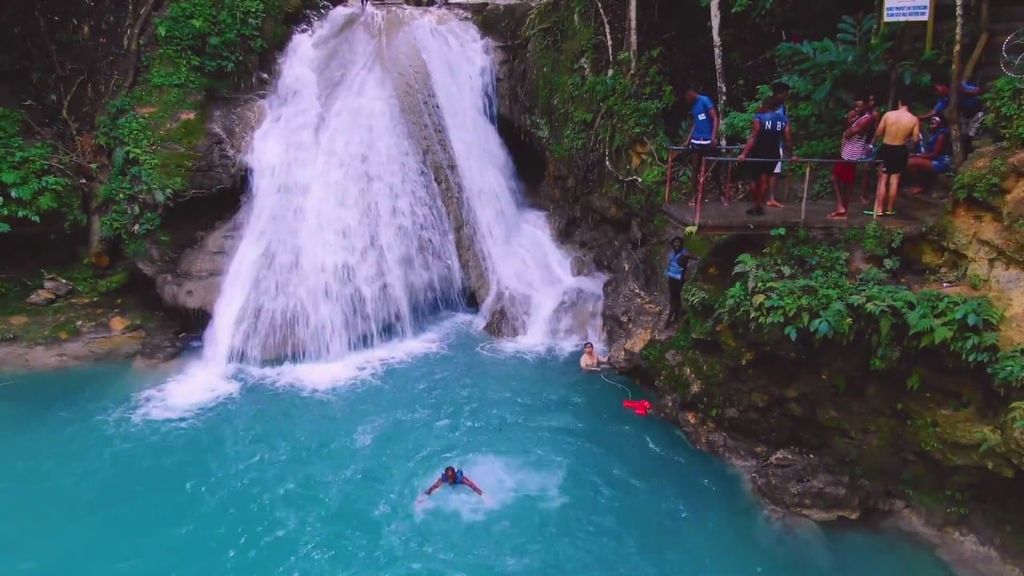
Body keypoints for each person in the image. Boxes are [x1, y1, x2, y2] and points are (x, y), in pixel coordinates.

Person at [867, 91, 920, 217]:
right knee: (894, 179)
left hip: (887, 148)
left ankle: (879, 208)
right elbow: (915, 139)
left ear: (899, 102)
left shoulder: (888, 115)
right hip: (900, 149)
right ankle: (890, 208)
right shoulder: (913, 119)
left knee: (883, 179)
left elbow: (879, 132)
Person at [738, 97, 792, 217]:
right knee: (765, 180)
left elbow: (753, 137)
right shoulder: (783, 120)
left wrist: (744, 153)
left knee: (753, 179)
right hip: (773, 154)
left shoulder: (759, 118)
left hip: (758, 153)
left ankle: (756, 205)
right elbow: (787, 138)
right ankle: (758, 205)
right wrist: (791, 154)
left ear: (765, 106)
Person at [828, 97, 873, 219]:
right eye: (855, 107)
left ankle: (841, 207)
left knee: (837, 179)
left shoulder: (866, 119)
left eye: (859, 107)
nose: (857, 109)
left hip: (851, 155)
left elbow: (848, 134)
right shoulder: (859, 118)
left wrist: (851, 120)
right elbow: (846, 130)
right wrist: (850, 121)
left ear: (866, 106)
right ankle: (842, 210)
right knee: (844, 182)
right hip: (847, 153)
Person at [918, 82, 984, 153]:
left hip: (978, 113)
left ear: (942, 86)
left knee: (969, 136)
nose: (936, 92)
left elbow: (979, 91)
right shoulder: (944, 99)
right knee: (963, 137)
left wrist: (964, 91)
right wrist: (918, 118)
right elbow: (934, 112)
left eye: (937, 89)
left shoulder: (959, 86)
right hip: (965, 116)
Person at [681, 86, 720, 200]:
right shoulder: (693, 106)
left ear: (691, 93)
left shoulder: (705, 100)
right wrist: (688, 140)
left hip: (708, 139)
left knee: (712, 168)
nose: (686, 100)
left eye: (686, 97)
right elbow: (695, 123)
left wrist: (713, 136)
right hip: (696, 140)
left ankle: (721, 193)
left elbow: (715, 118)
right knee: (695, 168)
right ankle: (694, 195)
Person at [905, 115, 952, 195]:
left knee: (911, 162)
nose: (931, 124)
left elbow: (935, 154)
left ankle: (920, 186)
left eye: (934, 123)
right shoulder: (933, 134)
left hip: (942, 162)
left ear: (940, 124)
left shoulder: (941, 135)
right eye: (931, 123)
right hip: (933, 159)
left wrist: (917, 156)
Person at [664, 236, 700, 326]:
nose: (676, 244)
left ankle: (675, 317)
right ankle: (674, 315)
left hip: (679, 279)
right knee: (673, 296)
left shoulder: (685, 253)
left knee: (677, 297)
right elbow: (669, 264)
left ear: (681, 243)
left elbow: (696, 258)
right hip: (671, 278)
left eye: (678, 242)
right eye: (675, 242)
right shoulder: (671, 253)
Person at [767, 81, 791, 208]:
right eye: (785, 94)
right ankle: (770, 198)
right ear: (781, 94)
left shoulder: (767, 105)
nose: (786, 97)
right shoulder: (779, 107)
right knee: (774, 171)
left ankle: (768, 197)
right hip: (774, 143)